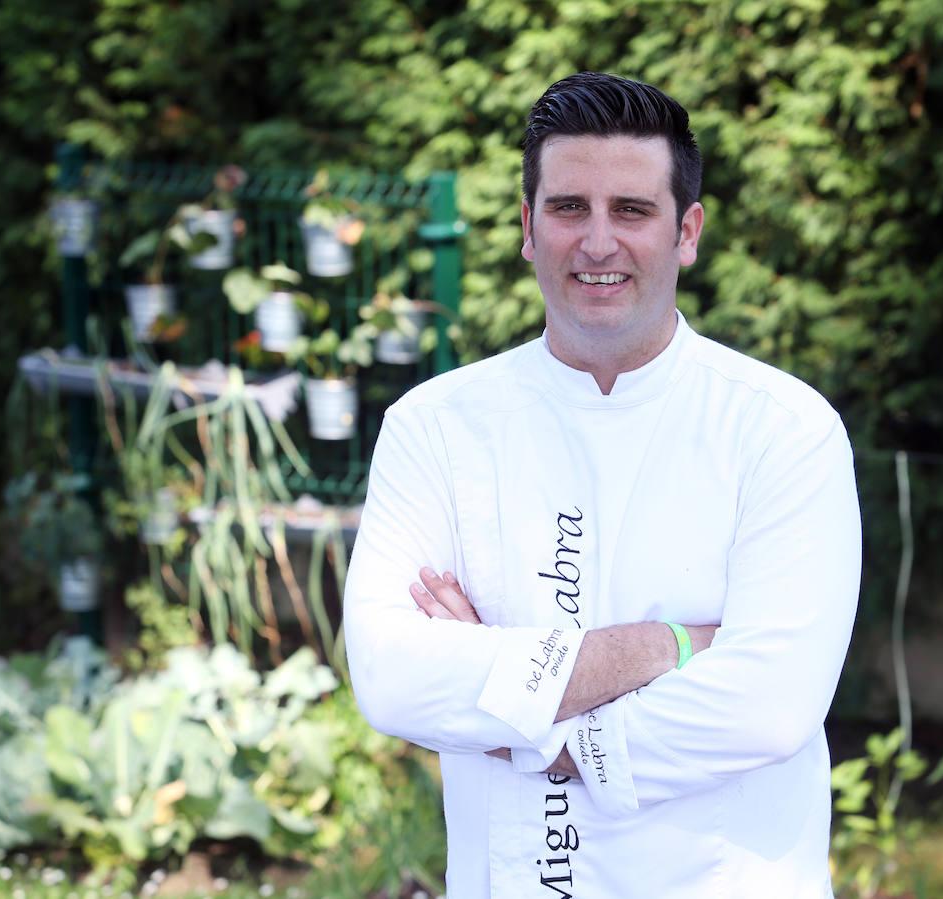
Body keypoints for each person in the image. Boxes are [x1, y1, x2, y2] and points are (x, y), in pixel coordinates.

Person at [343, 72, 861, 898]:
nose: (596, 241)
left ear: (687, 231)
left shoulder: (782, 431)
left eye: (632, 210)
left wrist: (515, 719)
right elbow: (391, 673)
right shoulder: (435, 427)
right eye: (568, 207)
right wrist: (672, 647)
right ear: (527, 226)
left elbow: (769, 701)